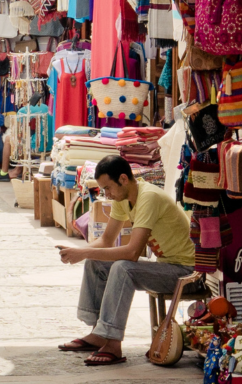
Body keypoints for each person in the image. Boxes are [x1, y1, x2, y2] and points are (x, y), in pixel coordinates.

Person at [55, 155, 195, 367]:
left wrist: (82, 253)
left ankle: (112, 343)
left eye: (108, 188)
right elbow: (105, 241)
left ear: (123, 179)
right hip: (167, 266)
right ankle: (98, 333)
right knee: (95, 262)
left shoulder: (148, 197)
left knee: (123, 267)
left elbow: (132, 253)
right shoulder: (123, 199)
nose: (106, 194)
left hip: (187, 272)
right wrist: (78, 251)